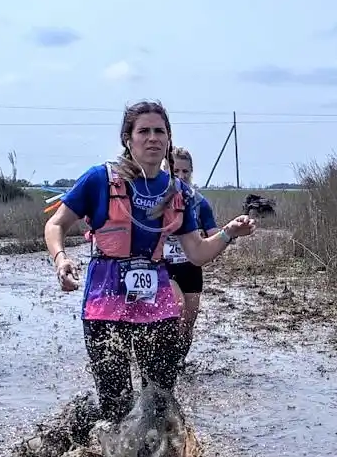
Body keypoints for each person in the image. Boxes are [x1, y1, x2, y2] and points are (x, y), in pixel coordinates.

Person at [42, 101, 256, 427]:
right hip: (104, 304)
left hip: (156, 304)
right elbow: (55, 224)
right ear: (128, 139)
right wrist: (61, 259)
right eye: (144, 131)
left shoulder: (178, 192)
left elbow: (197, 253)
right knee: (115, 405)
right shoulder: (99, 179)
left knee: (158, 401)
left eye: (160, 131)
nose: (153, 138)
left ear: (168, 139)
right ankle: (77, 428)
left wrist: (229, 233)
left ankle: (156, 455)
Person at [163, 147, 218, 361]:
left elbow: (213, 234)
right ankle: (164, 363)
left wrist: (232, 233)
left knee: (188, 322)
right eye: (175, 171)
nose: (181, 176)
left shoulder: (199, 202)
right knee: (178, 310)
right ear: (166, 170)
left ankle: (179, 363)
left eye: (185, 171)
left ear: (191, 172)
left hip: (191, 266)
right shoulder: (155, 199)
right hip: (164, 266)